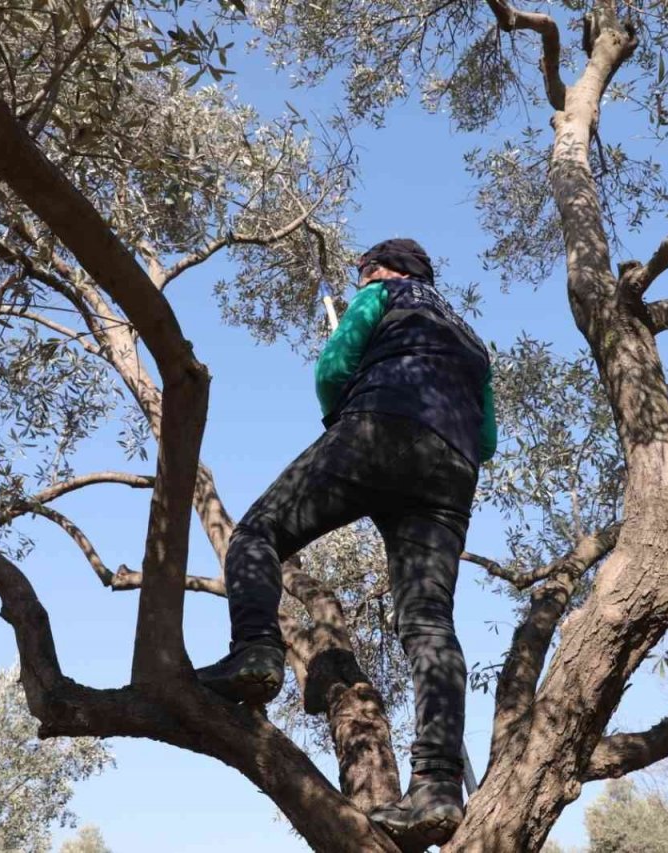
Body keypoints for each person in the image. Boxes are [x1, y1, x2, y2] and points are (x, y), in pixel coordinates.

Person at [197, 237, 496, 846]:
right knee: (429, 624)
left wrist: (344, 409)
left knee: (258, 532)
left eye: (363, 271)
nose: (360, 279)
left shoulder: (379, 293)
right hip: (454, 469)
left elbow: (333, 368)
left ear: (383, 270)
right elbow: (487, 437)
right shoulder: (472, 340)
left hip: (378, 427)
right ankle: (438, 786)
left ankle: (256, 652)